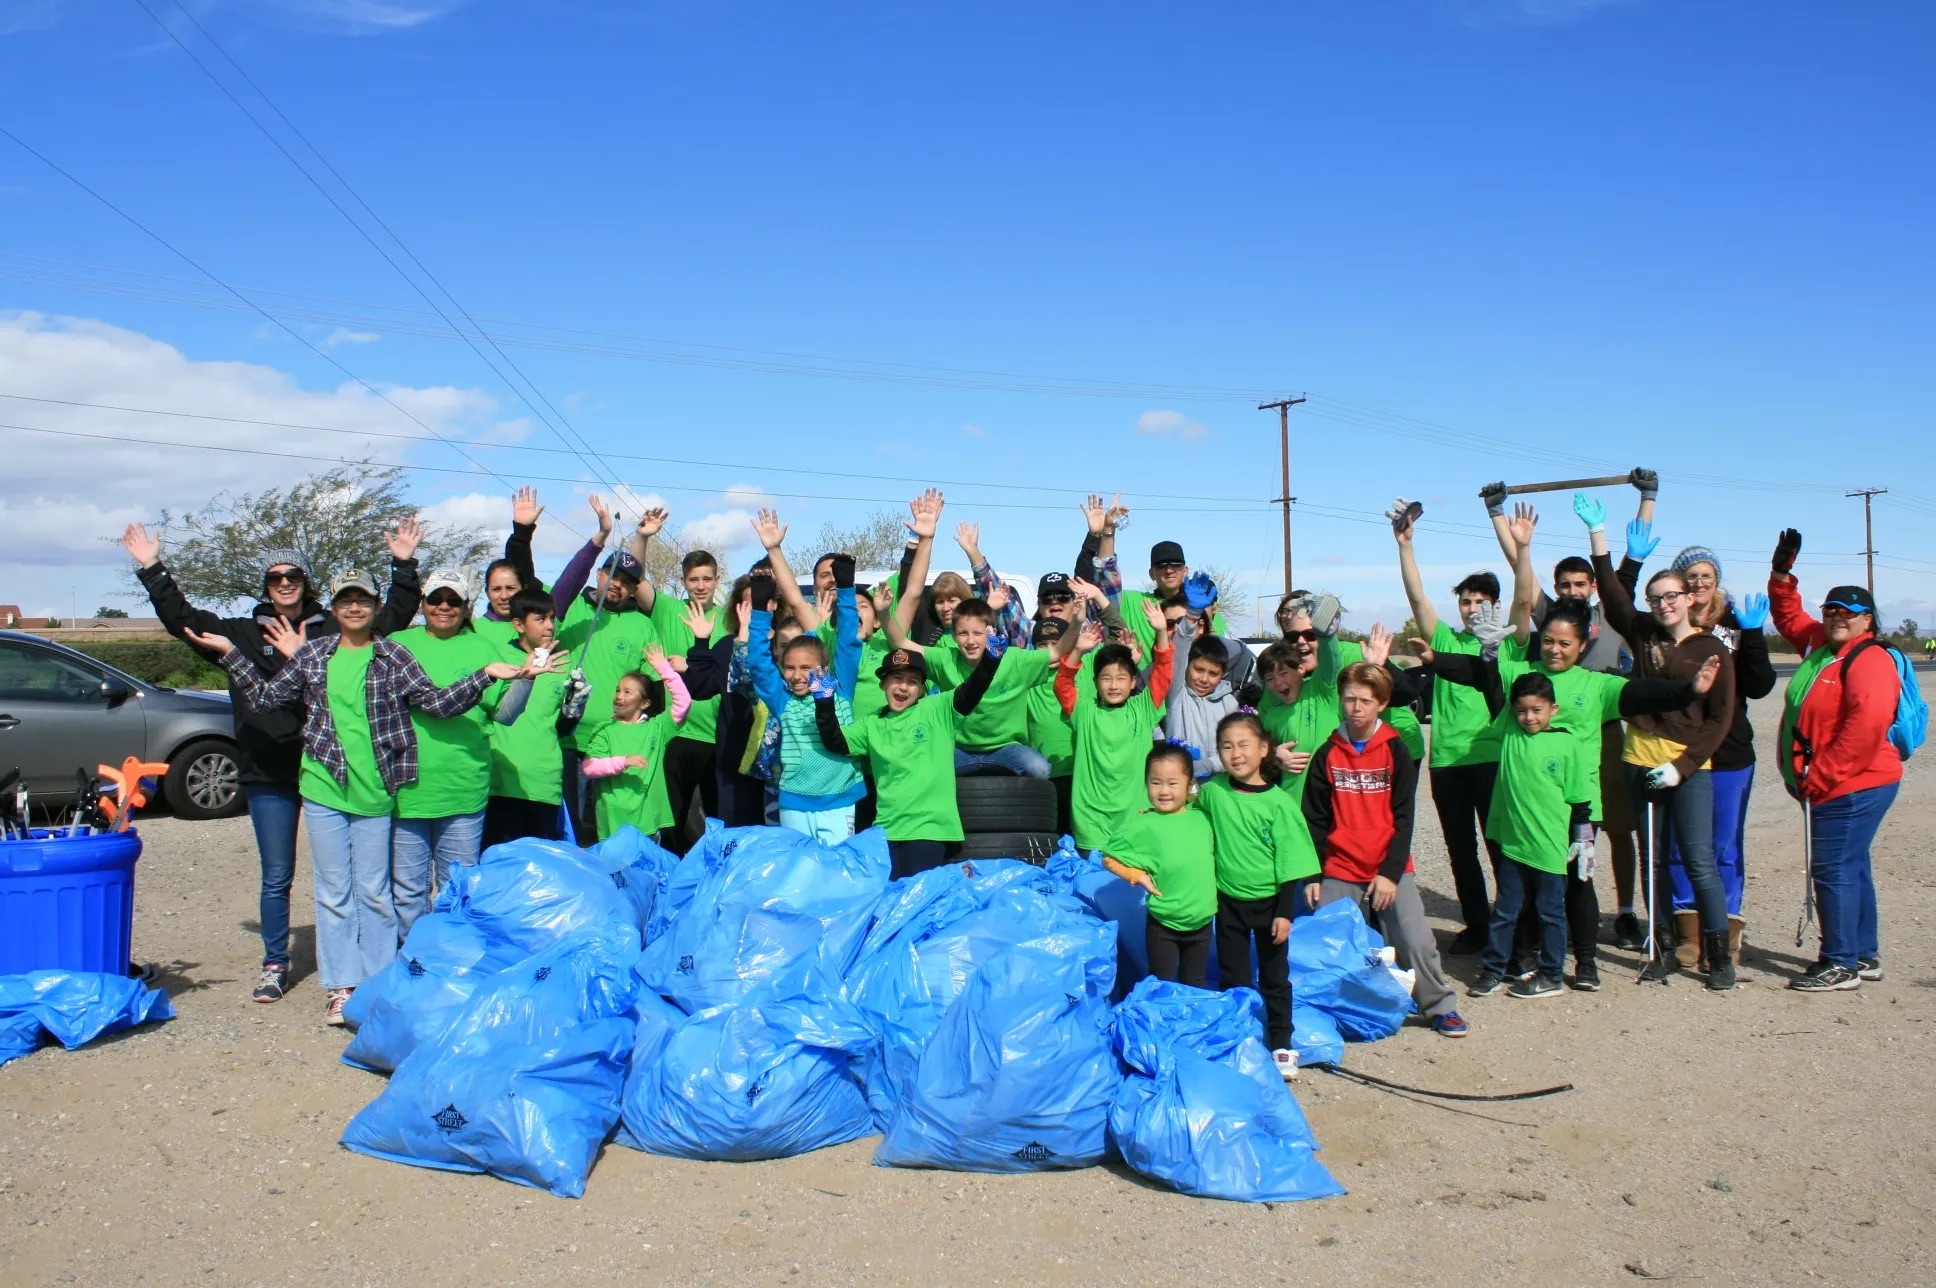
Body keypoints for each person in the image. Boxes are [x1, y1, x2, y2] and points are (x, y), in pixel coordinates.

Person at [184, 572, 542, 1025]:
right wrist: (234, 655)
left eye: (363, 600)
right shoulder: (314, 655)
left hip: (377, 792)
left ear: (375, 607)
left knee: (374, 894)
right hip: (323, 787)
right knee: (334, 893)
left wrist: (485, 675)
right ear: (333, 608)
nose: (354, 607)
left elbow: (436, 703)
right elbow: (265, 699)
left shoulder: (394, 655)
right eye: (346, 600)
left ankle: (378, 986)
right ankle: (340, 987)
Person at [122, 520, 424, 1005]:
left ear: (305, 583)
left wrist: (404, 566)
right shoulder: (242, 634)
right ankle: (275, 963)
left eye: (294, 576)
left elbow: (389, 616)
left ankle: (372, 972)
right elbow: (185, 621)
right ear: (265, 586)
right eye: (275, 576)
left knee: (361, 880)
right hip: (270, 770)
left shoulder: (333, 630)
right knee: (277, 873)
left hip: (333, 770)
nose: (284, 582)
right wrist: (154, 569)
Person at [1421, 595, 1722, 992]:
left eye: (1565, 643)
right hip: (1527, 808)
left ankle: (1585, 962)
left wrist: (1689, 691)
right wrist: (1432, 660)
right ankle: (1525, 955)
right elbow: (1477, 672)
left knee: (1577, 883)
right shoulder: (1523, 673)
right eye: (1548, 640)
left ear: (1583, 645)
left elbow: (1643, 693)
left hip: (1577, 807)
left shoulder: (1596, 685)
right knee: (1527, 883)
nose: (1554, 649)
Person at [1490, 472, 1649, 949]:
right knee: (1560, 837)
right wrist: (1496, 512)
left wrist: (1648, 498)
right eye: (1565, 584)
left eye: (1581, 583)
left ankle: (1623, 911)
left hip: (1603, 735)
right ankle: (1550, 920)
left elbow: (1627, 563)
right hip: (1553, 745)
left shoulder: (1613, 616)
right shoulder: (1549, 619)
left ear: (1593, 588)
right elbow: (1520, 570)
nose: (1574, 590)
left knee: (1618, 829)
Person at [1584, 493, 1737, 987]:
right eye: (1657, 598)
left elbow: (1719, 720)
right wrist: (1600, 538)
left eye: (1673, 595)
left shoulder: (1713, 648)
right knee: (1652, 860)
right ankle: (1662, 949)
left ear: (1691, 598)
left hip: (1688, 768)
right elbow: (1611, 595)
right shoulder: (1644, 634)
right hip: (1640, 761)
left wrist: (1684, 766)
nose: (1666, 603)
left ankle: (1719, 957)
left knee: (1696, 859)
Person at [1768, 529, 1906, 992]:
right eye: (1830, 610)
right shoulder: (1822, 646)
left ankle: (1841, 961)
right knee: (1852, 864)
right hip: (1837, 782)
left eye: (1848, 612)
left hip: (1853, 783)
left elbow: (1864, 730)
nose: (1836, 618)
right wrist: (1782, 575)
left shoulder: (1869, 660)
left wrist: (1820, 777)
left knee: (1832, 867)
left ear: (1868, 619)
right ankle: (1863, 955)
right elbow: (1789, 616)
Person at [1302, 663, 1466, 1037]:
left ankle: (1438, 1006)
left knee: (1415, 939)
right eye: (1349, 699)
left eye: (1365, 700)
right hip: (1340, 865)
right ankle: (1325, 1011)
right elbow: (1314, 821)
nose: (1356, 708)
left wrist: (1390, 874)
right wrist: (1312, 874)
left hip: (1387, 865)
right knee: (1324, 940)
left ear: (1382, 703)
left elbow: (1404, 818)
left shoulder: (1395, 750)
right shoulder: (1327, 753)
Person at [1391, 497, 1518, 953]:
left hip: (1492, 758)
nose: (1469, 609)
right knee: (1461, 852)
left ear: (1496, 605)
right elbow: (1417, 596)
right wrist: (1406, 545)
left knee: (1501, 848)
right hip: (1447, 760)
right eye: (1465, 602)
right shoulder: (1443, 638)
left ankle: (1513, 927)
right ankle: (1479, 927)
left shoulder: (1507, 645)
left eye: (1479, 602)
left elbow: (1527, 596)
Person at [1662, 544, 1778, 968]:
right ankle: (1688, 931)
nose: (1698, 584)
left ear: (1716, 581)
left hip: (1729, 751)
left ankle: (1724, 934)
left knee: (1723, 844)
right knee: (1678, 842)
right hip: (1680, 747)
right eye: (1689, 578)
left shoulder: (1735, 623)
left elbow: (1760, 684)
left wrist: (1753, 637)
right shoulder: (1669, 623)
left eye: (1705, 577)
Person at [389, 568, 513, 934]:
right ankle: (413, 965)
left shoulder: (482, 648)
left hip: (463, 789)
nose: (444, 606)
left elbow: (505, 713)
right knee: (409, 893)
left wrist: (529, 678)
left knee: (457, 889)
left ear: (467, 606)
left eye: (454, 600)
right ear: (422, 603)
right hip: (406, 790)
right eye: (436, 599)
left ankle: (452, 965)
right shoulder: (397, 643)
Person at [815, 644, 1000, 878]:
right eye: (896, 678)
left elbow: (971, 691)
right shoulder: (872, 723)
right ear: (882, 683)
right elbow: (836, 741)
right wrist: (823, 702)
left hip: (929, 828)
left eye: (913, 681)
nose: (903, 686)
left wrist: (990, 661)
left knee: (916, 900)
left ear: (922, 689)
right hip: (886, 830)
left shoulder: (937, 709)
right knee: (890, 901)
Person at [1198, 711, 1315, 1080]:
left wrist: (1284, 913)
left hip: (1269, 905)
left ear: (1264, 749)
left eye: (1244, 745)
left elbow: (1291, 862)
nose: (1235, 754)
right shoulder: (1213, 791)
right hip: (1228, 901)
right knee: (1234, 976)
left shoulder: (1278, 803)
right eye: (1226, 746)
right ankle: (1237, 1039)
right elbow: (1187, 815)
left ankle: (1282, 1043)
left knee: (1274, 978)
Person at [1464, 673, 1591, 1000]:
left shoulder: (1567, 743)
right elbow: (1492, 686)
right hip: (1513, 845)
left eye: (1537, 710)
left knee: (1551, 913)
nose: (1529, 717)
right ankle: (1494, 968)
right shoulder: (1510, 732)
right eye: (1522, 710)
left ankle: (1551, 975)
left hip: (1550, 848)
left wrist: (1582, 836)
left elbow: (1580, 797)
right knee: (1505, 910)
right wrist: (1489, 656)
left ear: (1553, 709)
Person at [555, 510, 661, 844]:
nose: (617, 584)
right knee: (571, 826)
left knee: (610, 827)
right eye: (612, 575)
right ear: (599, 574)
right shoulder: (571, 610)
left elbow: (651, 687)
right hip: (568, 741)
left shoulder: (642, 624)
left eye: (627, 582)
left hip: (616, 745)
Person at [747, 557, 866, 843]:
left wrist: (847, 589)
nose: (797, 676)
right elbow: (758, 663)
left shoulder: (839, 688)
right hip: (794, 802)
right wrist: (760, 610)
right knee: (800, 872)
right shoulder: (782, 698)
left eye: (806, 668)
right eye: (790, 668)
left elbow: (848, 641)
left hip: (840, 799)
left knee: (837, 872)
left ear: (823, 669)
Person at [1055, 603, 1176, 853]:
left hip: (1135, 818)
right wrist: (1078, 649)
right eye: (1106, 678)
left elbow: (1163, 673)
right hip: (1091, 822)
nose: (1113, 685)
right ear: (1095, 681)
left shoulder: (1142, 709)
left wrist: (1161, 632)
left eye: (1121, 678)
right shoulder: (1085, 711)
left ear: (1133, 682)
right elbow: (1063, 684)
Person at [1102, 744, 1218, 989]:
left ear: (1189, 784)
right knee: (1161, 984)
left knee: (1194, 984)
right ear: (1146, 784)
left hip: (1202, 923)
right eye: (1156, 783)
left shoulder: (1203, 817)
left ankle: (1186, 1026)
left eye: (1173, 783)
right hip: (1163, 925)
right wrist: (1136, 875)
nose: (1164, 791)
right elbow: (1109, 857)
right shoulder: (1144, 823)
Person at [640, 548, 726, 853]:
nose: (700, 585)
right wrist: (644, 536)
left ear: (718, 579)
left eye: (706, 578)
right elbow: (636, 576)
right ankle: (670, 878)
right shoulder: (667, 609)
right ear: (684, 581)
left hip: (718, 736)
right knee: (671, 818)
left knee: (719, 820)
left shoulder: (729, 618)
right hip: (675, 734)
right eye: (693, 579)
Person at [483, 588, 577, 846]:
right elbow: (496, 714)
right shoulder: (497, 658)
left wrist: (575, 707)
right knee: (503, 868)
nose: (550, 626)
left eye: (552, 618)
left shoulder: (564, 664)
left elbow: (563, 728)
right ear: (518, 624)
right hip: (502, 784)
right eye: (540, 619)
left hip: (545, 783)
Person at [927, 597, 1060, 778]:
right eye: (963, 633)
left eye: (977, 633)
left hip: (1006, 748)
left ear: (991, 634)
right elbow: (902, 644)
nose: (971, 641)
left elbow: (1057, 652)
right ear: (954, 636)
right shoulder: (945, 659)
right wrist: (886, 613)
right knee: (926, 768)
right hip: (959, 749)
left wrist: (1076, 623)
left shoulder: (1015, 659)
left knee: (1040, 768)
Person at [581, 648, 692, 842]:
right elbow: (590, 768)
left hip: (647, 821)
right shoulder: (605, 728)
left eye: (627, 692)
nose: (619, 696)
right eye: (617, 690)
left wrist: (663, 669)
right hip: (613, 819)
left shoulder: (657, 728)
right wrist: (623, 762)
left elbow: (683, 702)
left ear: (645, 703)